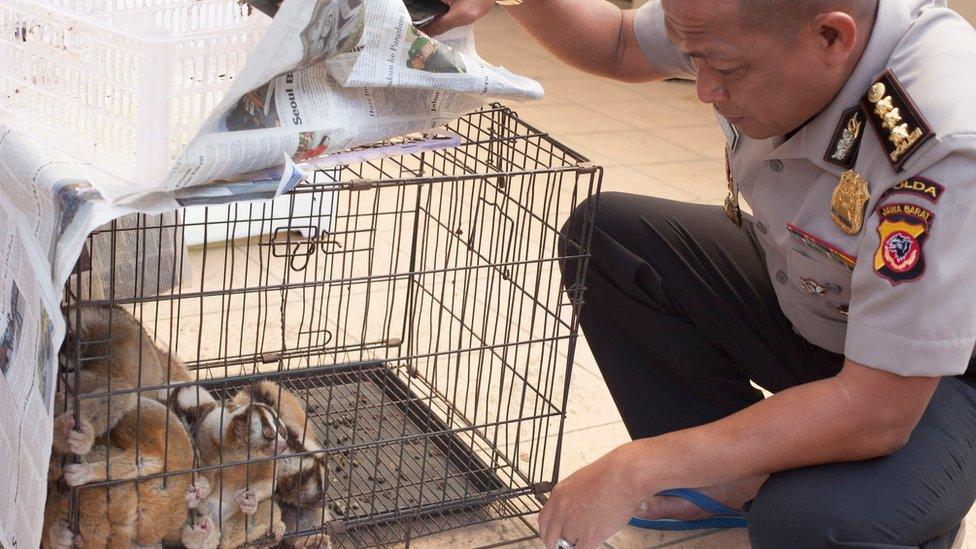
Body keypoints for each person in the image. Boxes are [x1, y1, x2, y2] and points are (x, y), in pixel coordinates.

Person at [426, 1, 976, 548]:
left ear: (832, 38)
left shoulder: (940, 138)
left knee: (812, 524)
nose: (704, 89)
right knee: (609, 237)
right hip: (821, 299)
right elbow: (618, 41)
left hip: (934, 378)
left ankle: (912, 508)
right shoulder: (738, 20)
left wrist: (637, 467)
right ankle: (734, 476)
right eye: (693, 59)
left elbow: (878, 410)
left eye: (727, 70)